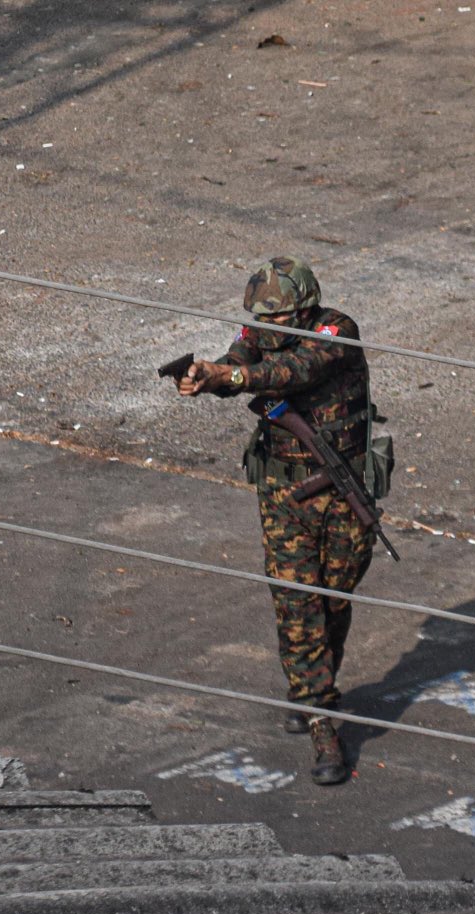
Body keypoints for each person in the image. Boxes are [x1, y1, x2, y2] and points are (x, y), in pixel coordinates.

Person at [176, 256, 382, 785]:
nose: (265, 330)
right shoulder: (262, 333)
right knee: (297, 604)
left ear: (304, 309)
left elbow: (292, 372)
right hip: (284, 491)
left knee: (335, 596)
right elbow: (240, 361)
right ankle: (321, 721)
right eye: (260, 321)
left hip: (343, 491)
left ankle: (312, 684)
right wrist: (207, 376)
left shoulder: (336, 330)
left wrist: (234, 375)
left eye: (277, 321)